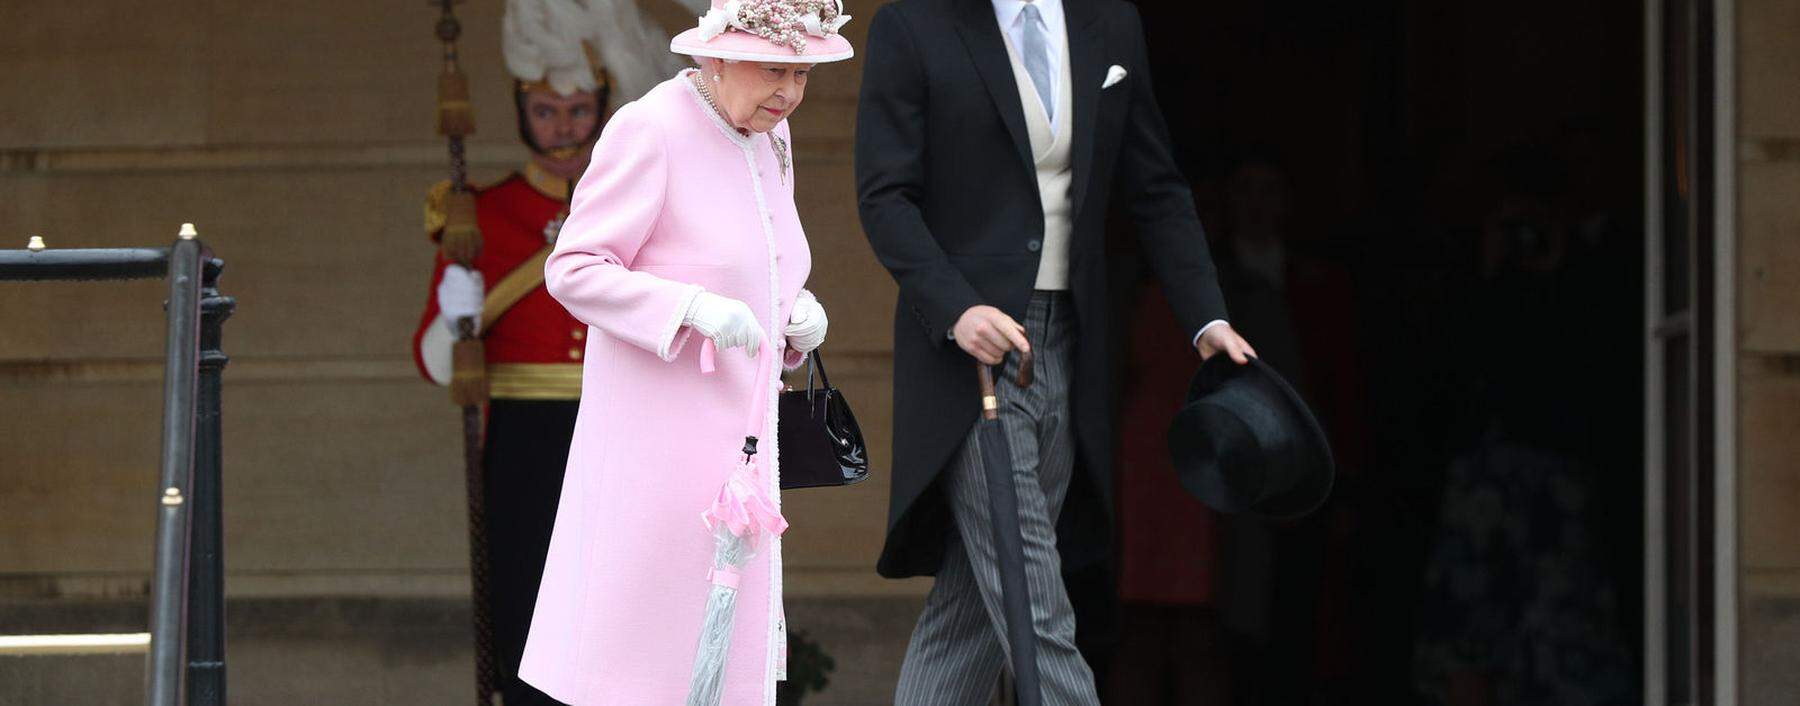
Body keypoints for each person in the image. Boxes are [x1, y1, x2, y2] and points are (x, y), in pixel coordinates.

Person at [854, 0, 1257, 701]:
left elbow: (1155, 186)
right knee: (1031, 593)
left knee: (972, 611)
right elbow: (885, 196)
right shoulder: (913, 24)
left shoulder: (1113, 22)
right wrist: (956, 308)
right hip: (972, 354)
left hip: (1072, 340)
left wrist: (1205, 320)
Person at [514, 0, 852, 702]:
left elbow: (755, 263)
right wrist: (685, 308)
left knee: (729, 668)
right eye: (772, 70)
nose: (788, 93)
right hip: (654, 455)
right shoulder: (651, 127)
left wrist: (792, 310)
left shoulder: (771, 139)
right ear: (716, 56)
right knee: (643, 669)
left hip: (742, 454)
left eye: (801, 74)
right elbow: (573, 269)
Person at [410, 0, 676, 701]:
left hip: (627, 424)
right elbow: (434, 363)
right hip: (526, 438)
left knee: (628, 605)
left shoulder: (639, 201)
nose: (564, 127)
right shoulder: (482, 212)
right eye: (548, 111)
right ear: (523, 110)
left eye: (580, 110)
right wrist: (454, 315)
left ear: (605, 107)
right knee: (528, 602)